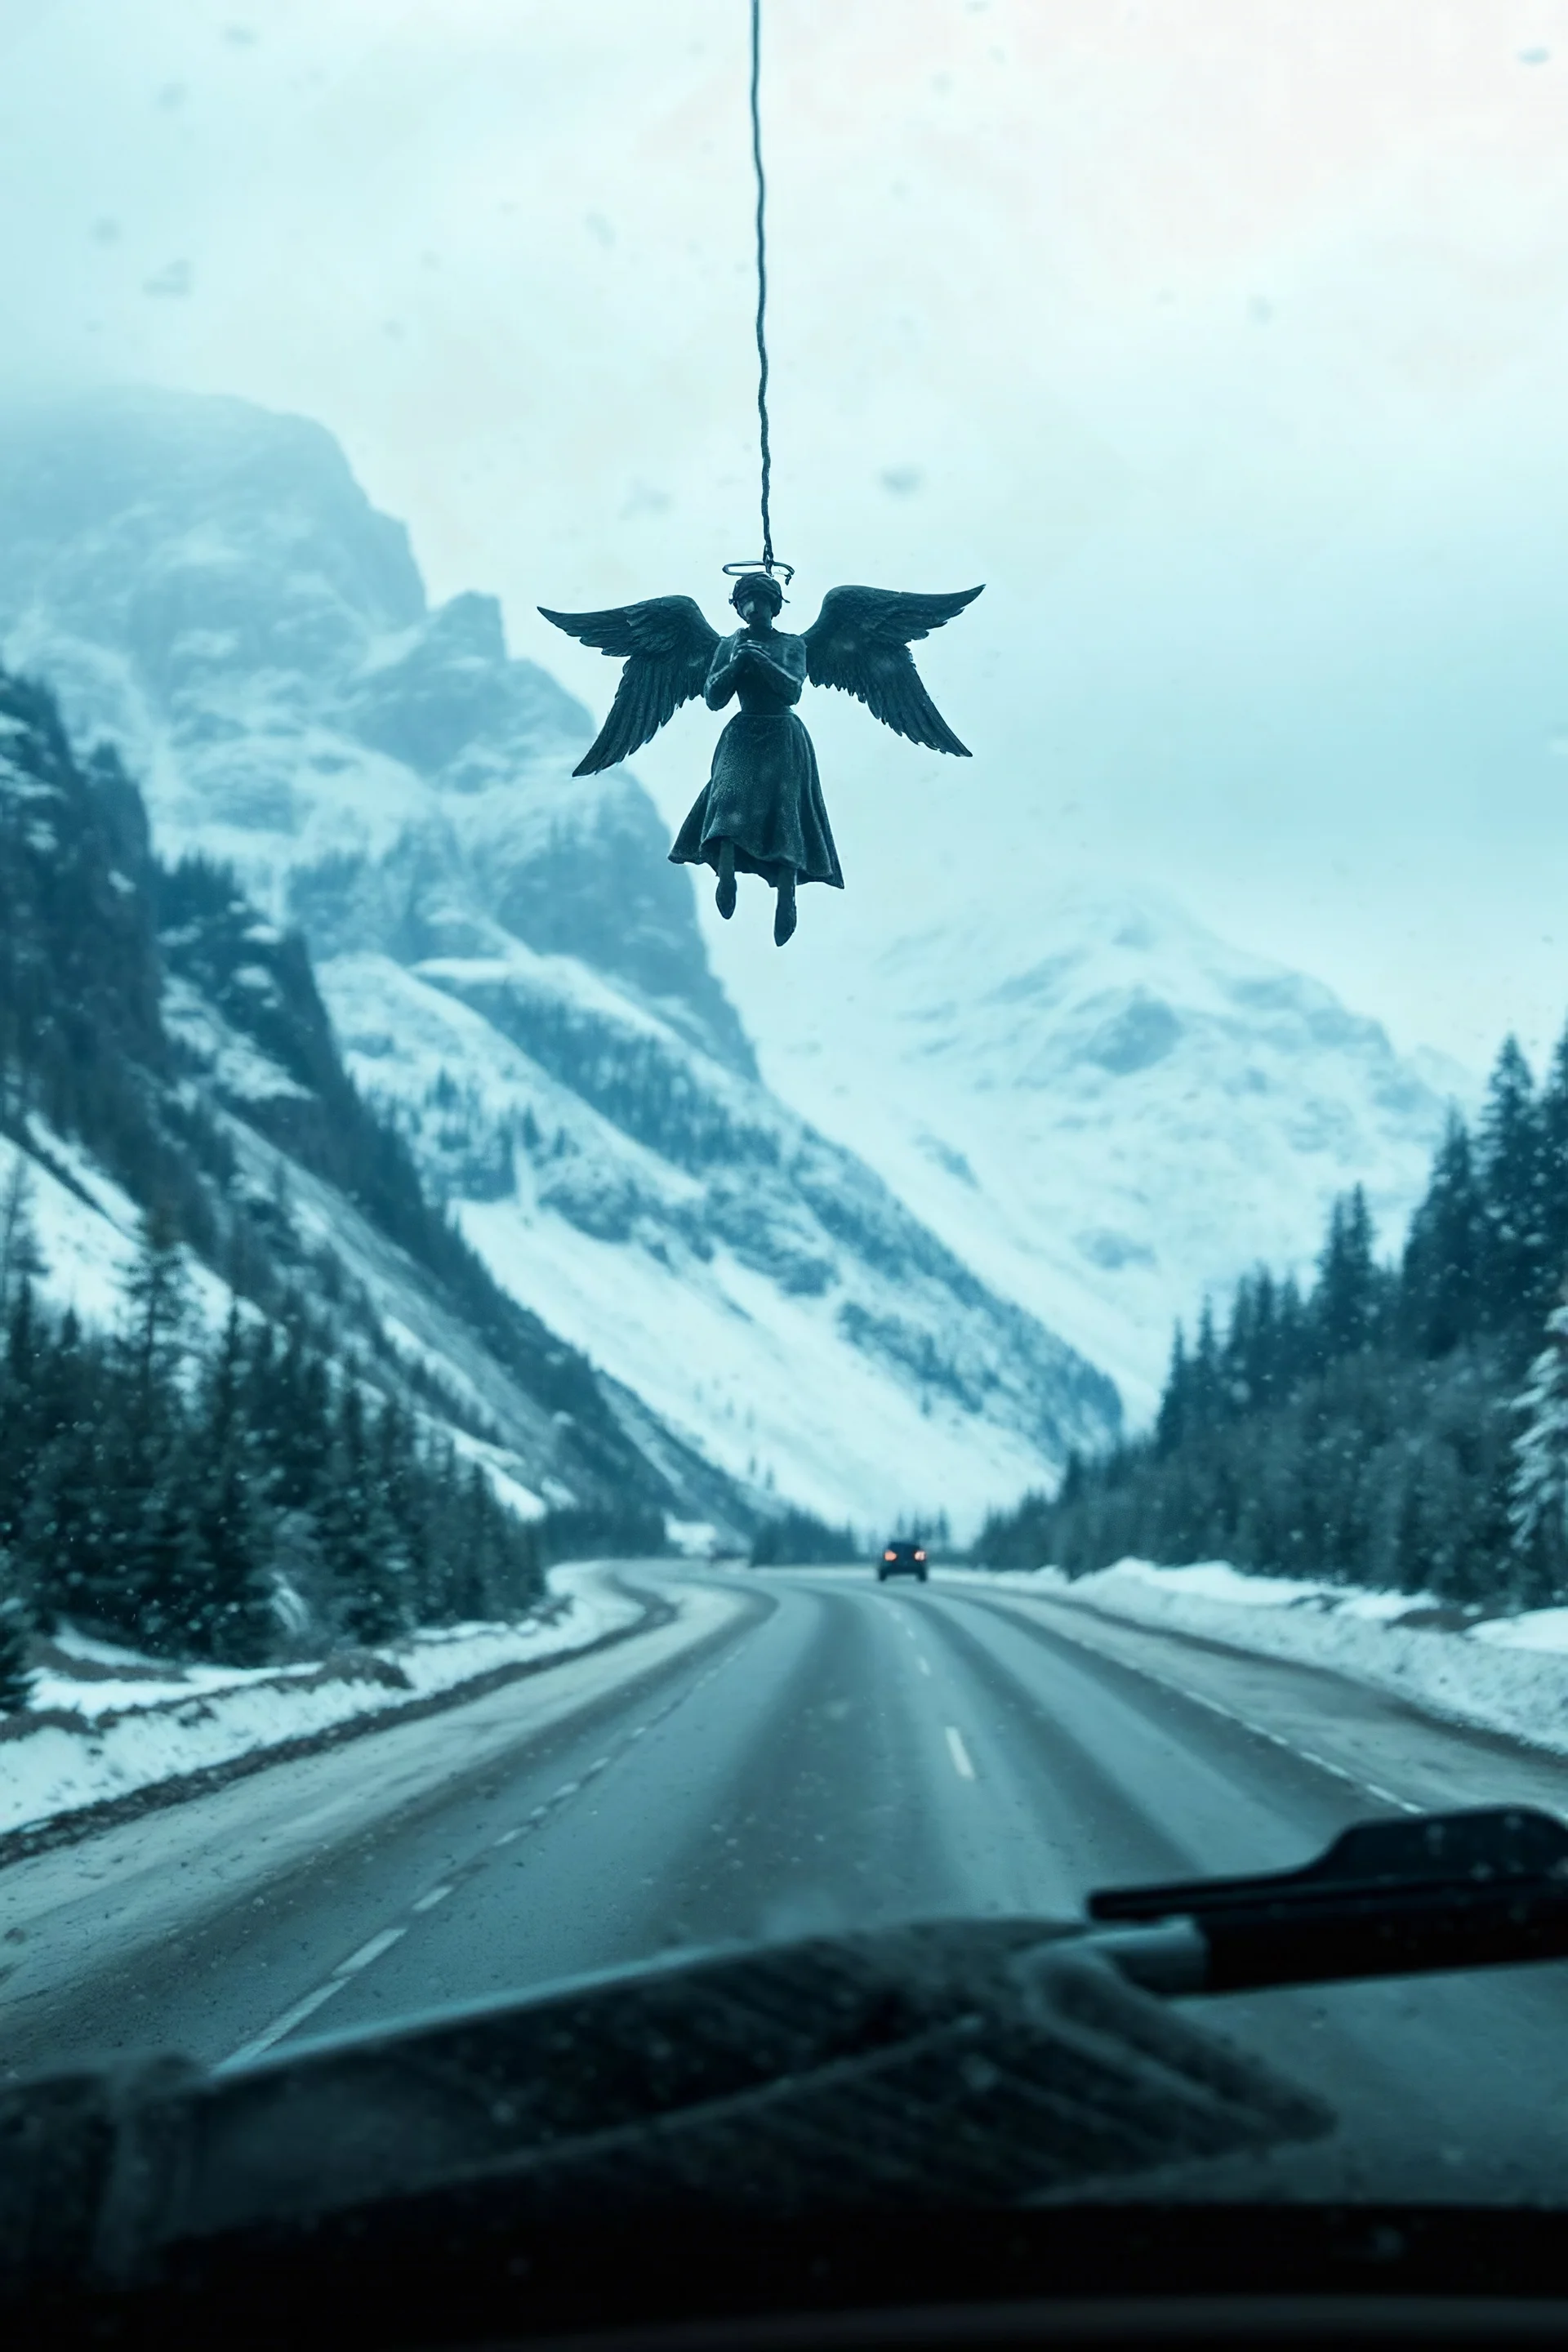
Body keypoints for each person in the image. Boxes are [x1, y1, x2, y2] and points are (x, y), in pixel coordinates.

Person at [667, 572, 843, 947]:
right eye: (745, 602)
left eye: (760, 601)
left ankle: (787, 899)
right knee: (726, 797)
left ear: (773, 605)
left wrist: (760, 661)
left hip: (782, 733)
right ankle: (725, 873)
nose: (753, 609)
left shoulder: (792, 644)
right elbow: (714, 697)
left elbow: (792, 689)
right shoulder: (731, 644)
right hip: (743, 732)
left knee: (785, 814)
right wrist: (735, 663)